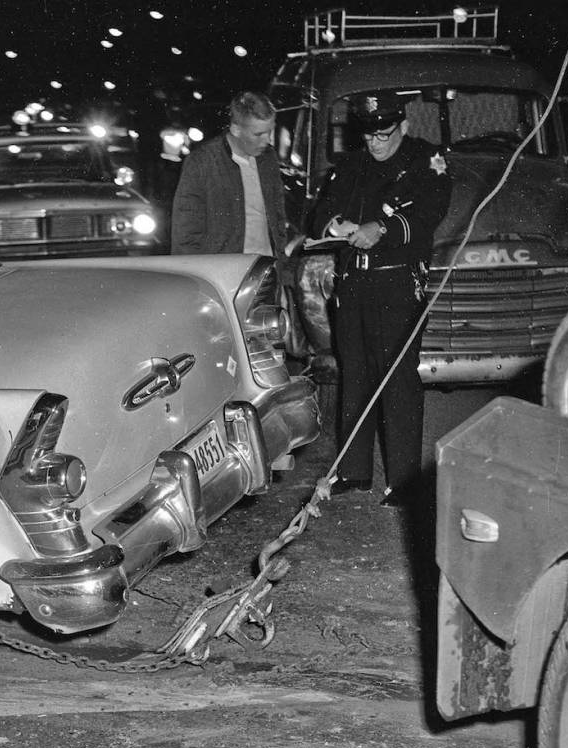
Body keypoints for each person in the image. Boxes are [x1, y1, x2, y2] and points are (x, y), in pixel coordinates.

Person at [310, 90, 452, 508]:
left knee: (397, 379)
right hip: (353, 284)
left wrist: (383, 230)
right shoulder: (351, 165)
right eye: (368, 136)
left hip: (396, 284)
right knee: (355, 375)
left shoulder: (426, 161)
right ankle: (354, 472)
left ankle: (405, 481)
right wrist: (335, 226)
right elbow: (321, 214)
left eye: (384, 134)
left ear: (403, 125)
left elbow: (430, 213)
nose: (375, 143)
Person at [170, 91, 291, 258]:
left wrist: (281, 262)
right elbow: (186, 234)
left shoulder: (268, 158)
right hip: (224, 275)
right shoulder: (202, 162)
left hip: (265, 270)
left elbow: (278, 217)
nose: (267, 140)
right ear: (236, 129)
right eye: (258, 134)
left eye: (270, 131)